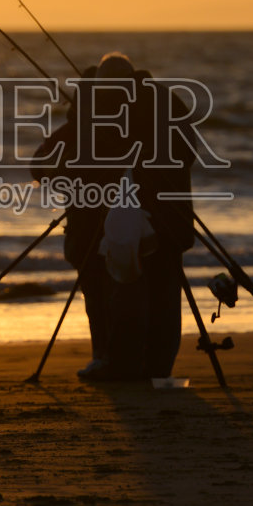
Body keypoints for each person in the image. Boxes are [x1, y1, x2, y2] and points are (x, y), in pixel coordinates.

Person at [30, 52, 196, 382]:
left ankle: (121, 363)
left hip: (129, 229)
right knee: (161, 295)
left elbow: (44, 165)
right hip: (159, 225)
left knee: (129, 293)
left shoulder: (99, 117)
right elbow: (43, 165)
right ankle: (146, 367)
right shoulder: (160, 111)